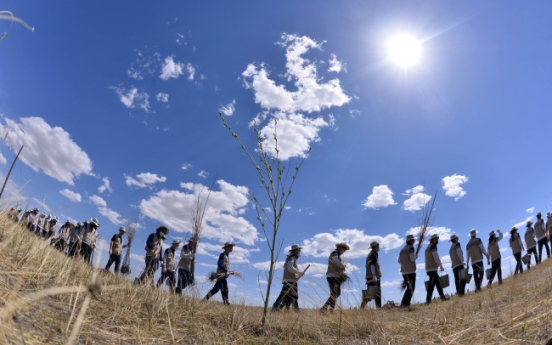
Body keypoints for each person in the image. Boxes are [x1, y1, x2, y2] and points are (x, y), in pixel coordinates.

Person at [272, 244, 304, 312]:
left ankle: (281, 309)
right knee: (293, 296)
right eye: (298, 250)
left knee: (287, 296)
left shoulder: (292, 257)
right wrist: (299, 272)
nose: (299, 251)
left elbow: (291, 269)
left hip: (290, 280)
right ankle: (296, 311)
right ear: (295, 250)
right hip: (290, 281)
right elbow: (290, 268)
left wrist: (298, 274)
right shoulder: (292, 257)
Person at [320, 243, 350, 313]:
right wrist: (341, 265)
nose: (344, 251)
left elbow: (337, 264)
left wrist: (341, 268)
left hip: (336, 276)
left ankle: (330, 310)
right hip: (332, 276)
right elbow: (334, 259)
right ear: (340, 248)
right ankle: (326, 309)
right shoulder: (334, 253)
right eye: (344, 249)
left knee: (335, 293)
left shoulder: (338, 255)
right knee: (334, 293)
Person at [424, 234, 448, 304]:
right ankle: (428, 300)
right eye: (436, 239)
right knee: (431, 285)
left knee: (438, 284)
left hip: (430, 268)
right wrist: (440, 265)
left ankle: (442, 297)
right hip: (432, 268)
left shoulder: (428, 247)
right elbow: (436, 256)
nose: (437, 240)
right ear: (433, 239)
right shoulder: (433, 246)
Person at [360, 241, 382, 309]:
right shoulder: (373, 254)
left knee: (372, 294)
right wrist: (374, 275)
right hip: (372, 277)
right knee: (374, 294)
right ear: (375, 247)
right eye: (378, 246)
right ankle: (378, 308)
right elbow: (372, 264)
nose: (379, 247)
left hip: (370, 276)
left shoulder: (372, 254)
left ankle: (362, 308)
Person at [398, 234, 417, 308]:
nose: (414, 241)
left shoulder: (402, 250)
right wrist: (415, 256)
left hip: (404, 271)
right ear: (411, 241)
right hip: (410, 271)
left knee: (409, 288)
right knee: (411, 288)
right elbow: (412, 259)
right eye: (413, 240)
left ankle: (405, 303)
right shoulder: (411, 248)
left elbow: (399, 261)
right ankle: (404, 304)